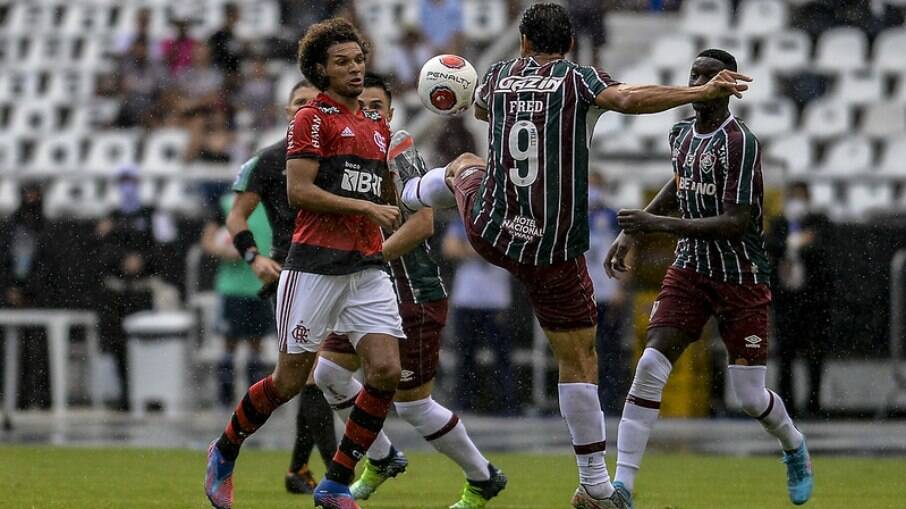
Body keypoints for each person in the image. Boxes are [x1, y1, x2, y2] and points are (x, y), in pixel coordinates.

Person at [391, 4, 750, 508]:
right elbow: (627, 97)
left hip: (493, 229)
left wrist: (464, 91)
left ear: (521, 43)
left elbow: (476, 109)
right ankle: (595, 486)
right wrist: (699, 91)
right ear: (572, 44)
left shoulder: (497, 78)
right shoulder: (579, 80)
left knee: (464, 164)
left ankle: (405, 194)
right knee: (579, 360)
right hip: (551, 248)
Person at [204, 19, 404, 509]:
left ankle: (335, 482)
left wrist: (405, 188)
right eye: (343, 62)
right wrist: (367, 208)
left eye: (358, 60)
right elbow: (300, 192)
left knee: (385, 370)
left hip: (365, 265)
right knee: (290, 382)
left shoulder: (377, 126)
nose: (355, 69)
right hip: (312, 265)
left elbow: (383, 192)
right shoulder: (311, 119)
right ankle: (225, 448)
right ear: (320, 69)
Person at [604, 50, 814, 508]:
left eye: (706, 75)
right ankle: (621, 487)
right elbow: (679, 184)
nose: (697, 81)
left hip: (740, 275)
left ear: (727, 84)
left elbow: (736, 221)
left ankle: (794, 446)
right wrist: (631, 232)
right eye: (692, 74)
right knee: (649, 368)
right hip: (690, 270)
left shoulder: (740, 142)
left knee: (750, 395)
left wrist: (654, 225)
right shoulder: (680, 133)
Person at [313, 74, 507, 509]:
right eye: (361, 106)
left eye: (377, 107)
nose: (368, 114)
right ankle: (380, 456)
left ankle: (482, 476)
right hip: (365, 292)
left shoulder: (398, 149)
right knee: (328, 373)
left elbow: (422, 224)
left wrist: (368, 257)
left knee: (414, 406)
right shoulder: (344, 153)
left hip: (411, 293)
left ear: (392, 113)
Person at [226, 79, 337, 494]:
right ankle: (337, 478)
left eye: (315, 101)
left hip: (339, 272)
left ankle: (297, 470)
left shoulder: (338, 157)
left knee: (314, 375)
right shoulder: (269, 160)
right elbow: (237, 217)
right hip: (292, 275)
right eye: (300, 102)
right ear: (289, 111)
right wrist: (255, 258)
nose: (308, 108)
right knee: (312, 374)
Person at [200, 192, 274, 407]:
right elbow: (207, 240)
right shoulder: (226, 204)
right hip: (232, 288)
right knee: (229, 343)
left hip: (260, 286)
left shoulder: (269, 204)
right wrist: (223, 250)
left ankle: (255, 401)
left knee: (256, 345)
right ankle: (225, 400)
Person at [767, 182, 832, 418]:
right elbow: (770, 246)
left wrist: (803, 248)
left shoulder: (818, 222)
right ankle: (787, 405)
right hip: (786, 301)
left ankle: (814, 405)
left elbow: (823, 251)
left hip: (813, 301)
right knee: (785, 355)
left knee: (814, 354)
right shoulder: (779, 224)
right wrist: (792, 243)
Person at [441, 218, 515, 415]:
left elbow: (509, 250)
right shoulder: (465, 220)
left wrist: (471, 248)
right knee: (465, 354)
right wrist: (483, 250)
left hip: (497, 300)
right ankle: (464, 402)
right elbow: (449, 248)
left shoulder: (507, 220)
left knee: (502, 355)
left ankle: (505, 403)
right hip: (467, 298)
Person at [585, 173, 627, 416]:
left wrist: (620, 287)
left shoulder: (612, 217)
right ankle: (588, 401)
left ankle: (610, 400)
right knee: (584, 349)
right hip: (584, 294)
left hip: (607, 291)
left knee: (609, 349)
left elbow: (627, 252)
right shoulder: (574, 215)